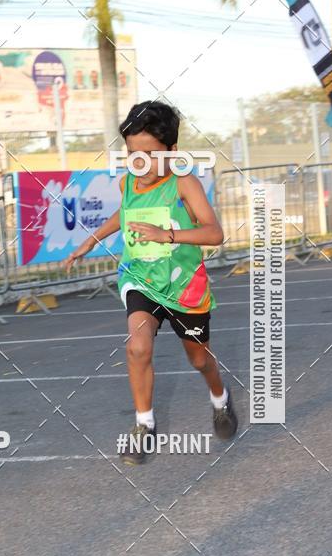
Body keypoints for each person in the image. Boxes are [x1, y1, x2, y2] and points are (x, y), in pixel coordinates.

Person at [66, 101, 238, 465]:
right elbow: (125, 212)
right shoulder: (128, 180)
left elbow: (215, 233)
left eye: (148, 154)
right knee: (137, 347)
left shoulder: (184, 183)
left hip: (183, 285)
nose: (138, 162)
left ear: (172, 152)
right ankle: (144, 424)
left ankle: (220, 399)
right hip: (140, 278)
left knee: (199, 361)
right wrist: (91, 240)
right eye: (131, 153)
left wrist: (167, 234)